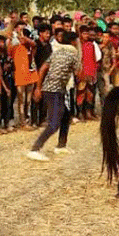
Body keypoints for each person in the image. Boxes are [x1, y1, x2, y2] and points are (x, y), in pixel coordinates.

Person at [27, 29, 82, 162]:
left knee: (66, 115)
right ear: (74, 42)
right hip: (55, 90)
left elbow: (43, 68)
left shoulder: (57, 52)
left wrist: (39, 88)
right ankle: (35, 149)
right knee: (54, 123)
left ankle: (61, 145)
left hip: (51, 88)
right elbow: (79, 74)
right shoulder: (74, 54)